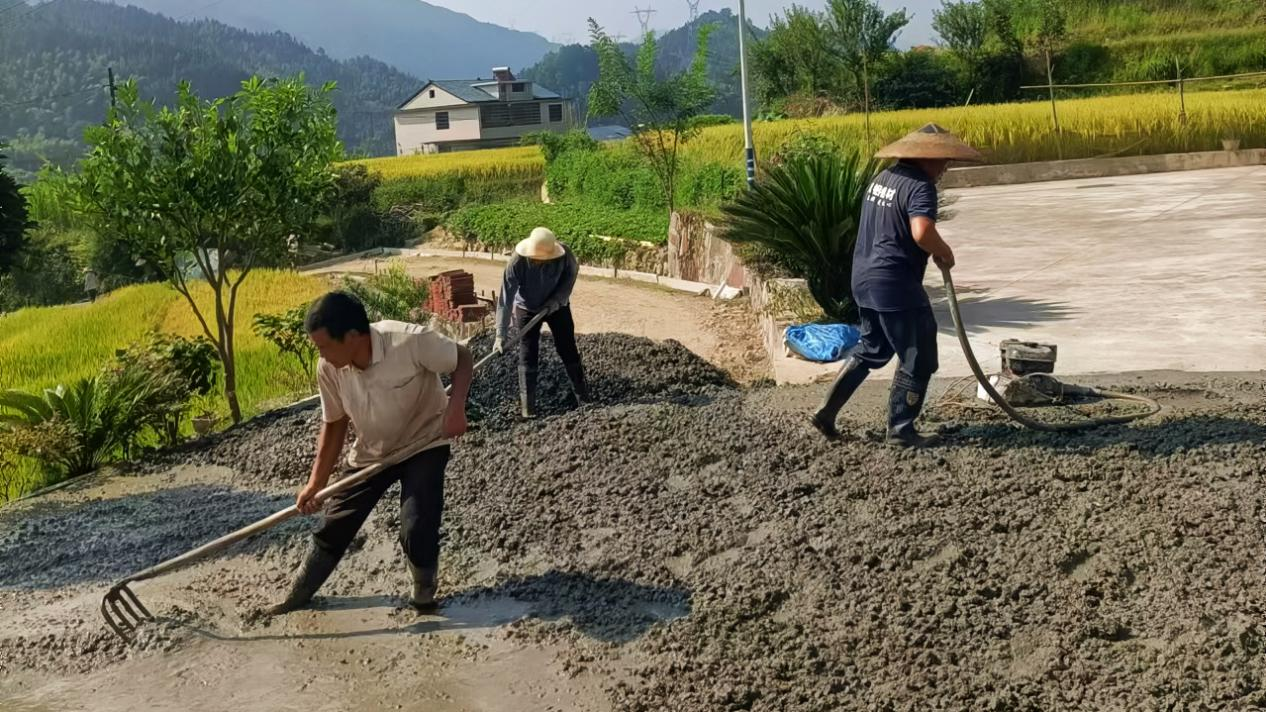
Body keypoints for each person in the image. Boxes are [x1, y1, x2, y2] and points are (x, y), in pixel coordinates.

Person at [269, 291, 474, 614]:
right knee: (335, 523)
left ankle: (423, 592)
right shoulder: (329, 368)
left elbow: (461, 358)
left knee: (417, 525)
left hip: (424, 443)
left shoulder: (407, 341)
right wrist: (315, 483)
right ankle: (297, 595)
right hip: (371, 454)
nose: (320, 354)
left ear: (352, 336)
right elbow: (334, 424)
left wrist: (456, 409)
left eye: (324, 346)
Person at [810, 123, 984, 448]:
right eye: (943, 160)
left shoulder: (883, 180)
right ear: (925, 158)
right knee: (919, 355)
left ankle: (826, 413)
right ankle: (902, 429)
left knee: (871, 348)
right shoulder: (920, 186)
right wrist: (943, 251)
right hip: (894, 283)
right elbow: (921, 231)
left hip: (864, 278)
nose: (945, 167)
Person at [494, 226, 588, 418]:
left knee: (567, 347)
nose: (538, 262)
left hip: (557, 306)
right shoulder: (517, 262)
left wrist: (557, 301)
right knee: (528, 351)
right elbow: (506, 298)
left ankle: (584, 398)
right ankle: (528, 408)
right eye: (535, 259)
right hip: (527, 308)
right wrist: (500, 334)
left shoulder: (565, 255)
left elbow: (570, 277)